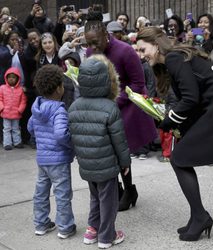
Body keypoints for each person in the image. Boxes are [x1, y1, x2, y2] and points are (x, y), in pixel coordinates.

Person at [136, 26, 213, 241]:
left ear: (156, 44)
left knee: (179, 159)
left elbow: (190, 98)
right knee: (180, 157)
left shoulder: (173, 58)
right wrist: (176, 124)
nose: (141, 56)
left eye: (143, 50)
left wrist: (169, 121)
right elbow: (193, 97)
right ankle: (197, 216)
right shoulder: (175, 57)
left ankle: (200, 217)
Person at [84, 11, 158, 211]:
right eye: (88, 43)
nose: (92, 48)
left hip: (127, 104)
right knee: (105, 151)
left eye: (95, 42)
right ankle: (116, 188)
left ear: (105, 34)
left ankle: (129, 190)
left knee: (119, 151)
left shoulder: (125, 51)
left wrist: (116, 101)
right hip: (104, 106)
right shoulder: (91, 52)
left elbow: (138, 83)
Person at [68, 54, 130, 248]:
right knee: (108, 202)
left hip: (86, 164)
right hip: (107, 165)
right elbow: (119, 140)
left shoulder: (74, 107)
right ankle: (106, 236)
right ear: (106, 80)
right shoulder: (110, 107)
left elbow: (74, 137)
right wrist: (125, 162)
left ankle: (91, 230)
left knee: (95, 197)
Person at [27, 65, 76, 239]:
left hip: (42, 159)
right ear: (58, 89)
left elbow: (30, 127)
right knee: (62, 194)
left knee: (41, 192)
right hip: (59, 160)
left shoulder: (37, 107)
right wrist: (72, 144)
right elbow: (61, 134)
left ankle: (41, 224)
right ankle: (65, 227)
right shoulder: (59, 110)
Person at [0, 67, 26, 150]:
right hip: (5, 113)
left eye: (14, 77)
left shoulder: (20, 90)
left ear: (17, 78)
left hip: (16, 113)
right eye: (9, 77)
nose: (11, 79)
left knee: (16, 128)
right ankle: (7, 143)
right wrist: (2, 108)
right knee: (6, 129)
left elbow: (23, 101)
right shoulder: (2, 88)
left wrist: (20, 110)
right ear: (6, 78)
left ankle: (17, 142)